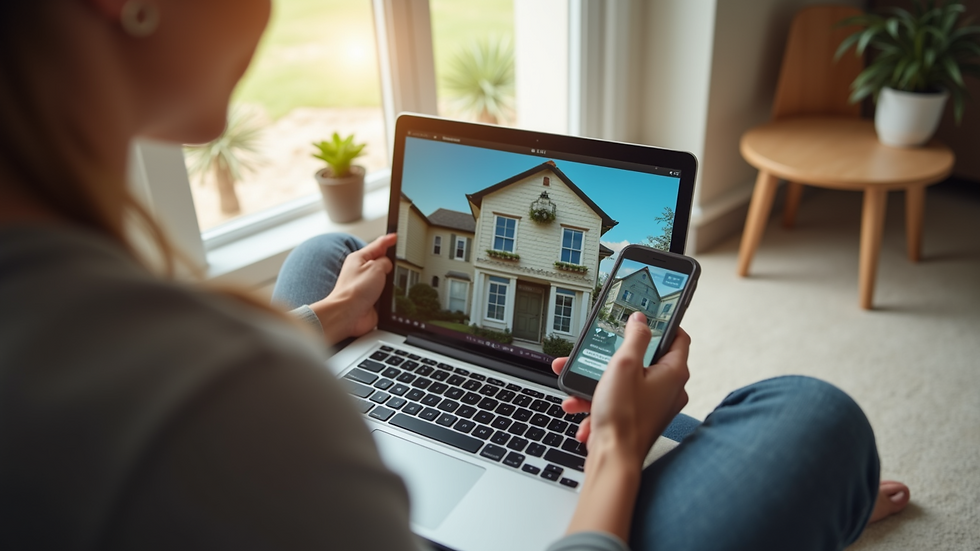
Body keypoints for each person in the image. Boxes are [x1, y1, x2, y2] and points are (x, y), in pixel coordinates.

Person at [0, 1, 909, 550]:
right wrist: (616, 454)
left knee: (335, 262)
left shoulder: (76, 324)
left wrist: (323, 319)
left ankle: (691, 452)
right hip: (516, 491)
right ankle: (704, 460)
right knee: (812, 418)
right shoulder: (231, 390)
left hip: (321, 426)